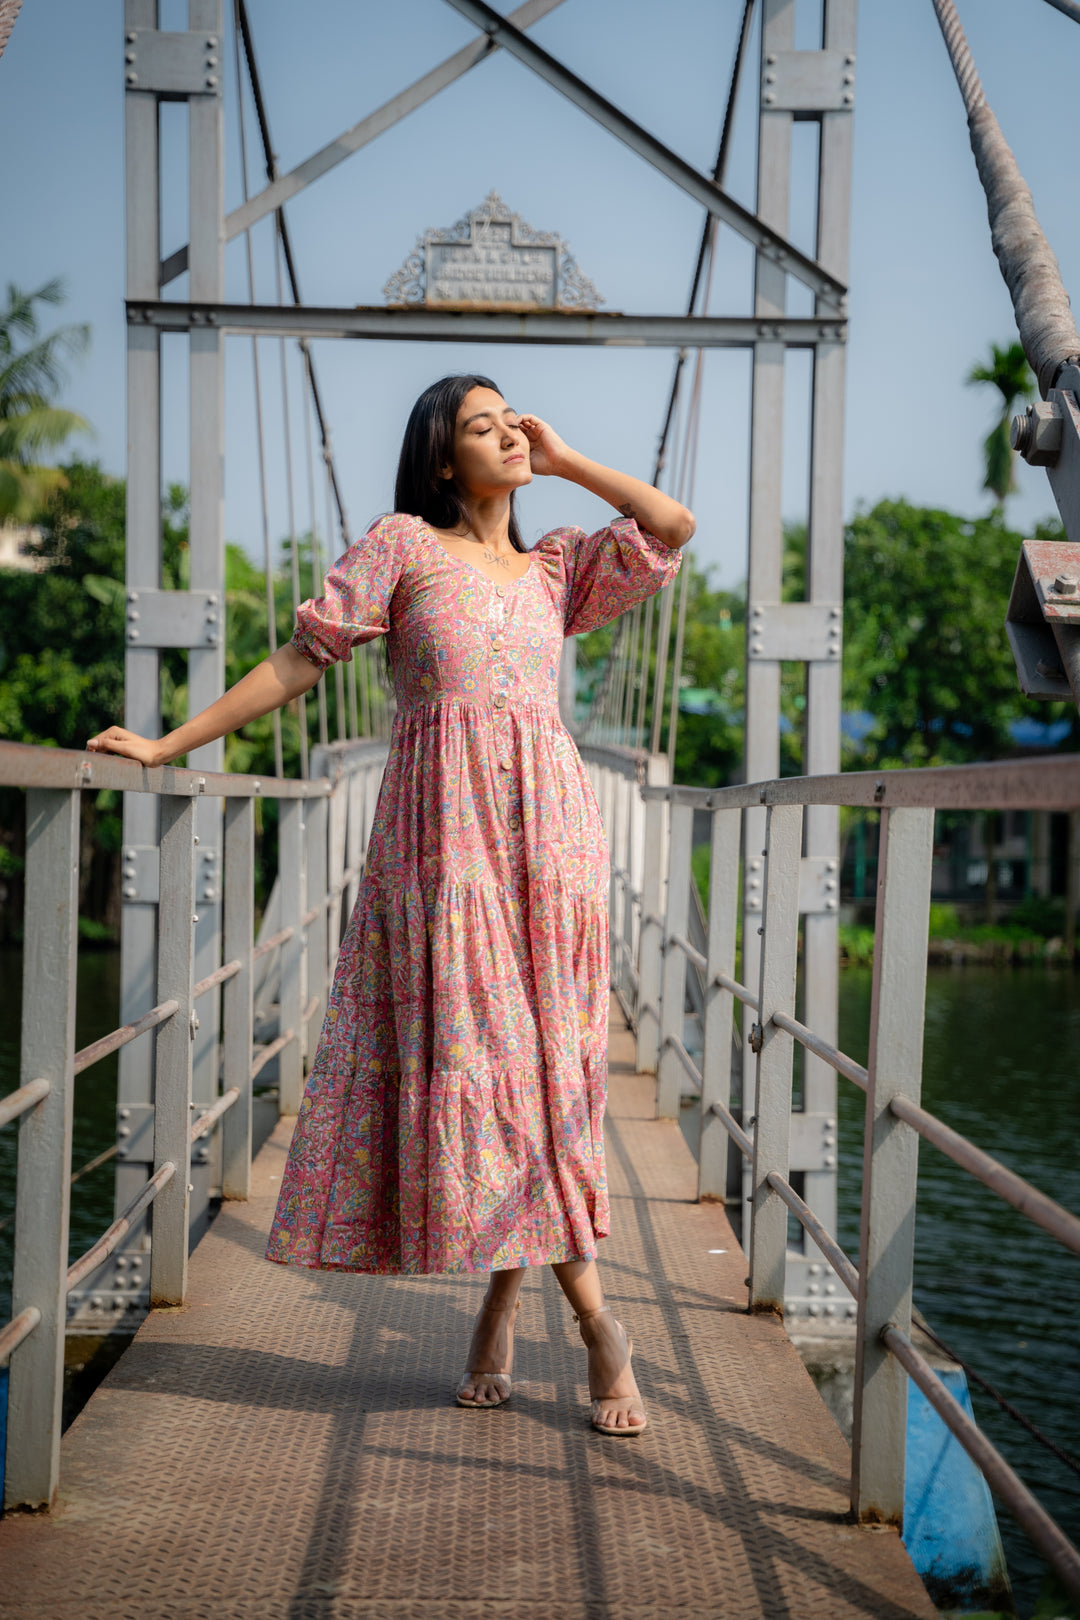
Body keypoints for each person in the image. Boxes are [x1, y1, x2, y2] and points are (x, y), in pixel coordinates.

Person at [87, 373, 694, 1435]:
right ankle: (603, 1327)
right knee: (488, 1078)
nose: (507, 434)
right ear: (440, 457)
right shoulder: (403, 548)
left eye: (513, 418)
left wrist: (566, 459)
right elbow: (297, 660)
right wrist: (168, 744)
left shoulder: (557, 563)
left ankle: (501, 1310)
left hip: (551, 844)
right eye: (482, 426)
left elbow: (671, 525)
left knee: (550, 1082)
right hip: (441, 848)